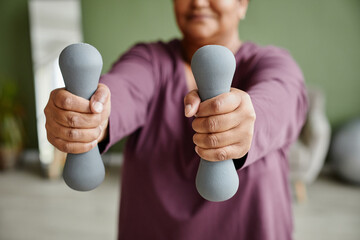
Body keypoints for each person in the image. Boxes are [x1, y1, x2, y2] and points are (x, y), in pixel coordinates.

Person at [44, 0, 308, 239]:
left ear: (242, 4)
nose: (198, 2)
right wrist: (90, 115)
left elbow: (283, 100)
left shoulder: (273, 63)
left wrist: (246, 121)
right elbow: (124, 89)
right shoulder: (149, 60)